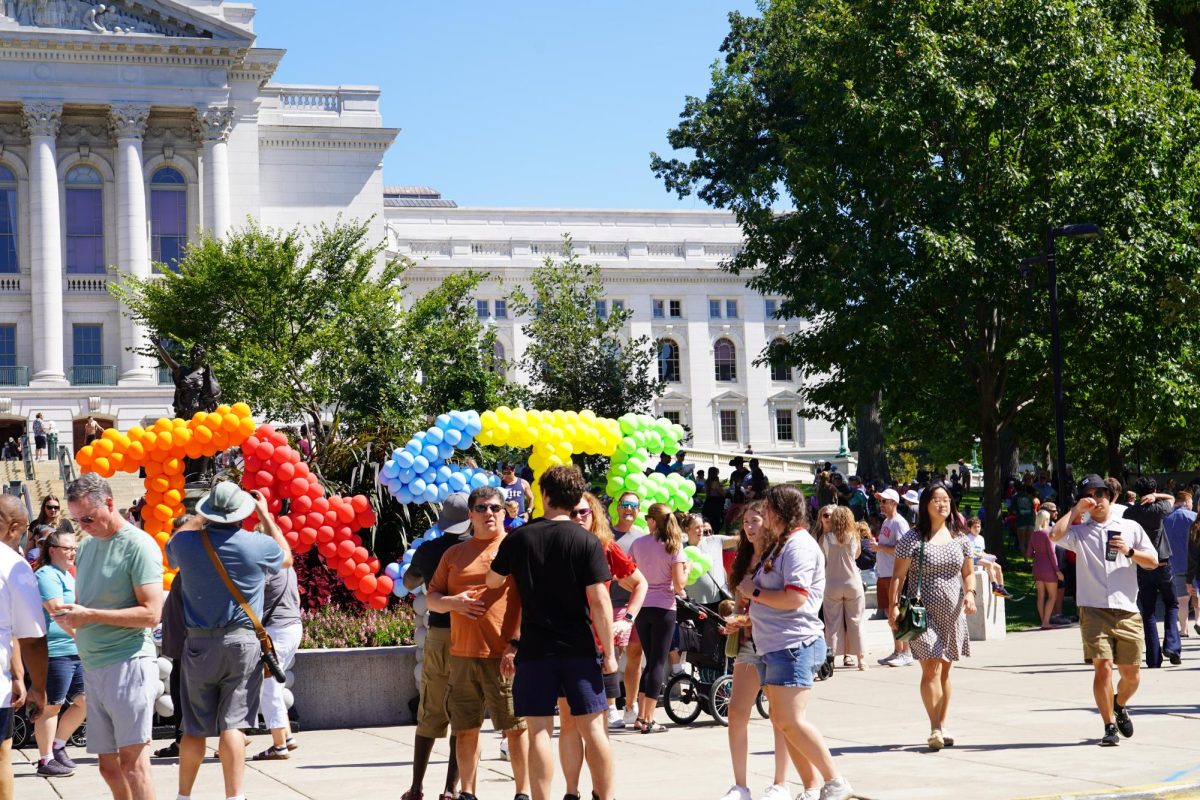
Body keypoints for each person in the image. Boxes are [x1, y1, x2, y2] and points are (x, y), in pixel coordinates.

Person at [486, 465, 616, 800]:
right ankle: (607, 795)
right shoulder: (586, 540)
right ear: (575, 500)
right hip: (579, 647)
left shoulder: (520, 538)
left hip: (535, 648)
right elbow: (600, 601)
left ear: (544, 495)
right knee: (592, 728)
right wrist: (611, 656)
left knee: (539, 728)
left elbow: (493, 580)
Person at [165, 482, 289, 800]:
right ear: (242, 513)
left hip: (198, 645)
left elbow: (171, 548)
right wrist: (264, 512)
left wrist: (198, 517)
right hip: (243, 642)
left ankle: (183, 795)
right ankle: (235, 797)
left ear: (208, 513)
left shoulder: (189, 544)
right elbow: (286, 557)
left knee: (193, 727)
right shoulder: (257, 544)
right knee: (234, 725)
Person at [733, 484, 852, 800]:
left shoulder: (798, 546)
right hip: (776, 645)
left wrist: (753, 592)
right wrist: (749, 615)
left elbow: (795, 598)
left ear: (779, 512)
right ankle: (814, 786)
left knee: (790, 720)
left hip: (794, 644)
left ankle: (835, 781)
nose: (763, 514)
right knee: (783, 721)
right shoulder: (783, 544)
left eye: (768, 508)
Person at [60, 473, 162, 800]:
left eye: (88, 517)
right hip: (95, 666)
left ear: (109, 503)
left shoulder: (139, 545)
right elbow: (89, 606)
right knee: (108, 767)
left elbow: (151, 614)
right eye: (76, 520)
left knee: (133, 764)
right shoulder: (88, 546)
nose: (84, 525)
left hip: (129, 662)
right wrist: (69, 616)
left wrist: (88, 616)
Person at [427, 486, 529, 800]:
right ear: (471, 515)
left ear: (505, 512)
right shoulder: (453, 554)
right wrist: (452, 602)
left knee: (514, 727)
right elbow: (431, 598)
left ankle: (523, 793)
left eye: (495, 508)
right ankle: (467, 792)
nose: (489, 513)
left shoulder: (516, 548)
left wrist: (516, 645)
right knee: (465, 729)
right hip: (462, 655)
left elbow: (530, 601)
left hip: (504, 655)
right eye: (482, 508)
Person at [1050, 474, 1158, 746]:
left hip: (1127, 608)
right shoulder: (1080, 532)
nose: (1096, 499)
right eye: (1089, 495)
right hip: (1094, 609)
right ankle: (1109, 725)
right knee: (1103, 669)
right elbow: (1054, 535)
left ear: (1110, 496)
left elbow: (1153, 562)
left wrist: (1130, 552)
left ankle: (1119, 704)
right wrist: (1076, 510)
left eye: (1100, 493)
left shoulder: (1130, 527)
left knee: (1131, 675)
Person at [559, 491, 645, 799]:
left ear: (594, 514)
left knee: (598, 727)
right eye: (572, 513)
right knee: (568, 722)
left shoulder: (606, 548)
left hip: (598, 647)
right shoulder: (558, 546)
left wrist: (629, 618)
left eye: (584, 512)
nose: (579, 517)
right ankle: (571, 791)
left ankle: (601, 792)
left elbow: (640, 583)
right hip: (565, 644)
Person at [718, 500, 803, 800]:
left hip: (777, 641)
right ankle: (740, 785)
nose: (750, 528)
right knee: (737, 712)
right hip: (750, 644)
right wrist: (735, 619)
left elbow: (780, 601)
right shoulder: (743, 559)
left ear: (768, 522)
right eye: (746, 523)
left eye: (755, 521)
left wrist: (744, 616)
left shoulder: (778, 555)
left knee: (780, 716)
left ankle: (781, 783)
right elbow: (744, 603)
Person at [888, 483, 976, 751]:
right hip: (921, 613)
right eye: (937, 500)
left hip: (952, 614)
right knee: (931, 669)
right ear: (925, 505)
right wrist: (893, 606)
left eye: (946, 499)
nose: (942, 504)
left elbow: (968, 573)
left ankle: (942, 723)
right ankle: (935, 727)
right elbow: (898, 576)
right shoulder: (913, 539)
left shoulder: (960, 538)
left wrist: (970, 593)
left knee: (945, 670)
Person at [401, 494, 473, 800]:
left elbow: (408, 582)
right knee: (463, 710)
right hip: (470, 635)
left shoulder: (429, 549)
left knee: (430, 709)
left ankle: (416, 787)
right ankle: (450, 789)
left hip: (439, 633)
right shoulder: (476, 549)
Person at [0, 493, 50, 800]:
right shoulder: (13, 565)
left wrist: (17, 676)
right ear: (15, 527)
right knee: (2, 755)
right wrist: (38, 687)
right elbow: (31, 638)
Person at [626, 502, 687, 734]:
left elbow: (626, 573)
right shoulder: (674, 546)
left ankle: (642, 715)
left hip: (643, 606)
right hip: (664, 606)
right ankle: (648, 718)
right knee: (657, 663)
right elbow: (680, 585)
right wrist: (687, 571)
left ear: (652, 521)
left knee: (649, 661)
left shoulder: (638, 543)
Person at [32, 529, 88, 777]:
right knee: (51, 706)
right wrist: (82, 637)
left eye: (74, 548)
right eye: (68, 548)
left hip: (74, 650)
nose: (72, 552)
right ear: (52, 550)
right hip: (54, 652)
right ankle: (45, 760)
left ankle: (58, 746)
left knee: (86, 701)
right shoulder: (46, 575)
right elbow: (56, 610)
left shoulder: (66, 575)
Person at [1122, 478, 1179, 666]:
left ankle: (1153, 658)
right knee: (1171, 604)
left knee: (1148, 611)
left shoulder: (1130, 512)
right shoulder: (1158, 509)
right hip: (1162, 562)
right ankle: (1172, 646)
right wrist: (1157, 496)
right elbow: (1171, 498)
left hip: (1142, 564)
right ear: (1153, 490)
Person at [252, 550, 302, 761]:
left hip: (276, 630)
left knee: (269, 688)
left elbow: (252, 593)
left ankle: (278, 745)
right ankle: (287, 737)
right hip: (293, 626)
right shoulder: (287, 566)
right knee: (276, 685)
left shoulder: (268, 567)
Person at [608, 491, 647, 727]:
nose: (629, 509)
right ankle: (611, 707)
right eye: (625, 504)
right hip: (609, 604)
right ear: (618, 507)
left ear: (639, 510)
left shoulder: (642, 539)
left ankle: (630, 707)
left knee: (634, 656)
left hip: (634, 606)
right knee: (609, 656)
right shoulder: (606, 536)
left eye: (634, 505)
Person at [820, 506, 867, 670]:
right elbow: (857, 555)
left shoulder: (825, 538)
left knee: (832, 624)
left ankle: (830, 659)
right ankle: (861, 659)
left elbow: (822, 557)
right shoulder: (854, 536)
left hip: (831, 582)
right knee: (856, 621)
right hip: (852, 581)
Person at [872, 489, 912, 665]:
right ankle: (898, 651)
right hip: (885, 573)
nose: (881, 505)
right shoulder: (887, 522)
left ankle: (907, 652)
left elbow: (904, 550)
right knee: (890, 613)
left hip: (895, 575)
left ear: (894, 503)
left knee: (899, 613)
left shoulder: (899, 523)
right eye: (880, 501)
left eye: (884, 501)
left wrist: (880, 548)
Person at [682, 512, 736, 604]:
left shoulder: (715, 540)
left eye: (702, 526)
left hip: (719, 601)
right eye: (697, 528)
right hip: (692, 604)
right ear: (687, 529)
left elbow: (738, 540)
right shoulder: (679, 547)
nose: (701, 530)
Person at [1166, 492, 1198, 638]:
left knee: (1182, 600)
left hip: (1176, 564)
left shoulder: (1166, 519)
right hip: (1196, 564)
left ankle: (1183, 629)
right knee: (1197, 595)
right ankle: (1198, 621)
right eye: (1191, 501)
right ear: (1186, 502)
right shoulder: (1194, 518)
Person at [1027, 510, 1063, 629]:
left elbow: (1029, 553)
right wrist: (1057, 570)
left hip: (1037, 567)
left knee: (1040, 596)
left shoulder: (1034, 534)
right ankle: (1046, 622)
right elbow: (1052, 554)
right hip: (1049, 568)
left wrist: (1038, 554)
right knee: (1052, 596)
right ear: (1046, 520)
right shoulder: (1048, 533)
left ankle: (1043, 621)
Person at [965, 517, 1012, 598]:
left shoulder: (981, 538)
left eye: (978, 527)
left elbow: (982, 551)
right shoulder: (967, 538)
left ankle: (1001, 588)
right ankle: (994, 586)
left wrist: (988, 555)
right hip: (972, 559)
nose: (977, 529)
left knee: (998, 567)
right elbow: (969, 551)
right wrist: (978, 555)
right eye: (974, 527)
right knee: (989, 564)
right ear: (969, 528)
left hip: (980, 558)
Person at [703, 468, 727, 535]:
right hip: (715, 504)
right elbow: (722, 493)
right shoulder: (715, 482)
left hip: (708, 503)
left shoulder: (707, 482)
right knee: (716, 523)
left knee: (708, 521)